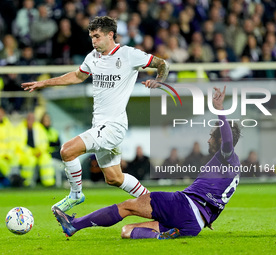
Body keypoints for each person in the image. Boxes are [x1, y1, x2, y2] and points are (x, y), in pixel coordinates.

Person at [21, 16, 169, 213]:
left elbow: (162, 64)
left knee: (67, 150)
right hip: (100, 125)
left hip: (113, 127)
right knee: (114, 178)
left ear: (110, 35)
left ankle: (75, 194)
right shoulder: (92, 57)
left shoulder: (128, 55)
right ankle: (154, 202)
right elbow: (76, 76)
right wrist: (44, 83)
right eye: (92, 37)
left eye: (97, 36)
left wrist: (159, 81)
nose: (94, 41)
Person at [53, 86, 242, 240]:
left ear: (220, 140)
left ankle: (74, 225)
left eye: (211, 137)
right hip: (195, 225)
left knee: (126, 206)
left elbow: (226, 140)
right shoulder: (236, 167)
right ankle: (162, 237)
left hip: (182, 205)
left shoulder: (226, 154)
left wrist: (220, 110)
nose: (208, 141)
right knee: (126, 231)